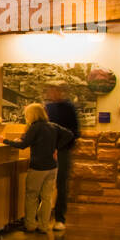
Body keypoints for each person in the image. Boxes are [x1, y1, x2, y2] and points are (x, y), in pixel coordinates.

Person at [4, 103, 72, 234]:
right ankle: (43, 226)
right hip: (52, 167)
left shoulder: (35, 128)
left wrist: (5, 141)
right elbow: (69, 135)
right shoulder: (53, 126)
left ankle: (30, 225)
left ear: (31, 115)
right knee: (47, 197)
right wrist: (57, 147)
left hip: (37, 167)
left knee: (32, 196)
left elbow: (23, 145)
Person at [44, 81, 80, 231]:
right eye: (50, 91)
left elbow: (74, 132)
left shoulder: (69, 108)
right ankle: (43, 218)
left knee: (61, 184)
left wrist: (60, 147)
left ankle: (60, 218)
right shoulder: (47, 107)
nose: (52, 93)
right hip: (46, 150)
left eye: (55, 90)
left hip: (63, 151)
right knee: (44, 184)